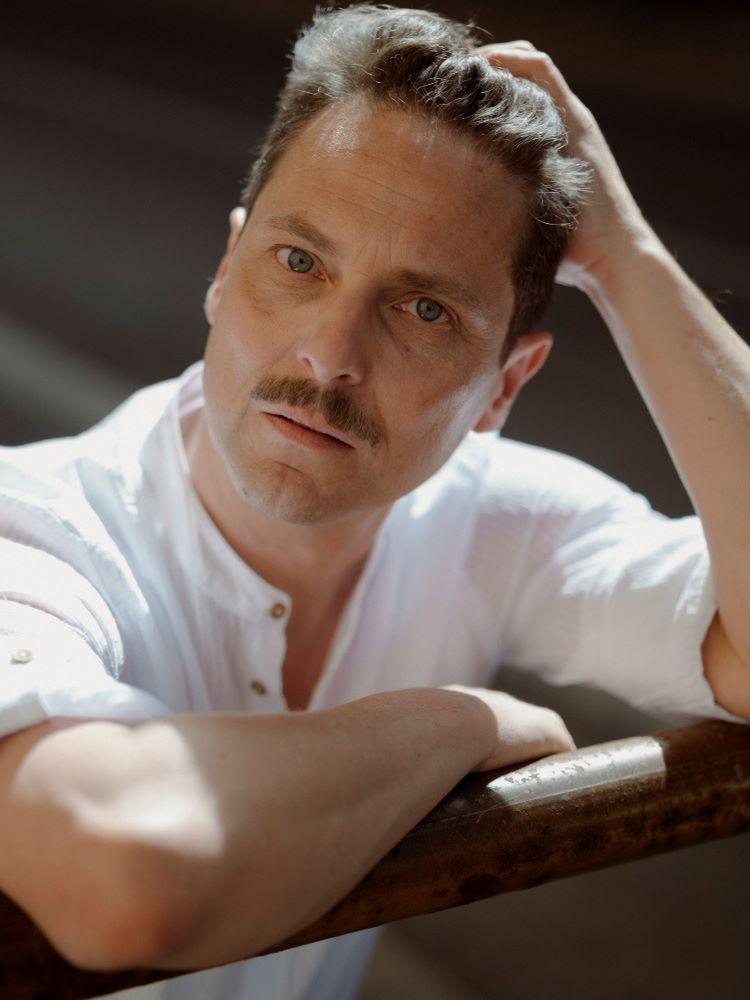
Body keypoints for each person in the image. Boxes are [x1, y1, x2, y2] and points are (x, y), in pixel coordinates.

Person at [1, 3, 748, 997]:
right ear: (225, 271)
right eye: (299, 262)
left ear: (504, 386)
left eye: (423, 309)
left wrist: (631, 261)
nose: (330, 354)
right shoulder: (33, 531)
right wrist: (455, 724)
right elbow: (123, 874)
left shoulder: (493, 522)